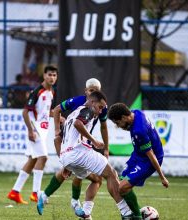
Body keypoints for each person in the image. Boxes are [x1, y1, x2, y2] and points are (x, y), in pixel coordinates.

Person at [40, 91, 131, 219]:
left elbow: (59, 140)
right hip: (79, 153)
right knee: (111, 174)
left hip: (67, 157)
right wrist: (93, 140)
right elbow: (78, 124)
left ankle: (85, 213)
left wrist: (65, 164)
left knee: (96, 179)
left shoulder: (73, 114)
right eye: (100, 107)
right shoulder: (87, 110)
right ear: (92, 102)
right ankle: (126, 213)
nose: (100, 111)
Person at [37, 78, 109, 216]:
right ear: (85, 91)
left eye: (96, 91)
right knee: (70, 171)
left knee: (75, 173)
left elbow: (104, 126)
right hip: (70, 142)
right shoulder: (79, 102)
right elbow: (57, 110)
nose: (92, 93)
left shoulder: (101, 107)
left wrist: (106, 148)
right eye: (91, 90)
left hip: (82, 142)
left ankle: (61, 199)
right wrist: (57, 130)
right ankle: (72, 202)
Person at [108, 103, 169, 219]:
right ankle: (130, 214)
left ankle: (137, 217)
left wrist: (162, 176)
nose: (119, 126)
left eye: (117, 123)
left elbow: (151, 155)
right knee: (119, 183)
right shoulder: (136, 112)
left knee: (122, 188)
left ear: (124, 117)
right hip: (138, 154)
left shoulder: (138, 131)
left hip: (148, 160)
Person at [7, 65, 58, 204]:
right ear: (44, 76)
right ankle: (35, 193)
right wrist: (30, 130)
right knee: (43, 157)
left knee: (32, 160)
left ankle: (14, 192)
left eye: (54, 75)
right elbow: (25, 112)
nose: (52, 78)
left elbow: (46, 112)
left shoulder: (52, 91)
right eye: (49, 75)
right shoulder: (37, 91)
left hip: (43, 130)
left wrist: (58, 116)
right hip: (35, 130)